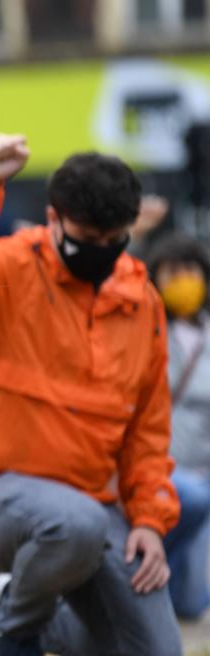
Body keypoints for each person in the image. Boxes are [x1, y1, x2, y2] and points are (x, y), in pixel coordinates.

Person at [0, 134, 184, 656]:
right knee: (77, 521)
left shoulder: (143, 303)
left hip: (89, 510)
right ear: (52, 218)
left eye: (115, 239)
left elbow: (148, 432)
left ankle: (23, 613)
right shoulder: (12, 268)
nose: (102, 249)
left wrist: (150, 522)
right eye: (89, 238)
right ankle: (11, 639)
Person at [146, 237, 210, 620]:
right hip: (162, 470)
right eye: (173, 273)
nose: (183, 281)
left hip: (203, 470)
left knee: (190, 601)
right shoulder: (147, 328)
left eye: (190, 272)